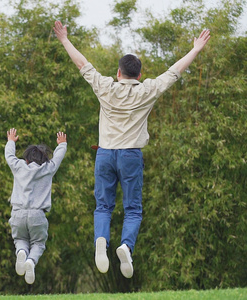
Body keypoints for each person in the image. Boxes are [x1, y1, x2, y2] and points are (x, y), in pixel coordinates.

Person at [53, 20, 211, 278]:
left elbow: (83, 64)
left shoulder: (105, 87)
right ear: (139, 75)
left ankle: (101, 240)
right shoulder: (147, 90)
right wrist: (195, 49)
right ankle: (126, 245)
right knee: (133, 209)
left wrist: (64, 40)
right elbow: (174, 72)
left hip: (105, 154)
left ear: (118, 73)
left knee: (103, 207)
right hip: (130, 156)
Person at [5, 128, 67, 284]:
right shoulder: (48, 168)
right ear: (44, 159)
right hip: (37, 214)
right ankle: (31, 261)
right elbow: (58, 158)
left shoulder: (19, 166)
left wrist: (11, 141)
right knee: (38, 243)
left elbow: (9, 156)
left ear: (26, 159)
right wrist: (62, 145)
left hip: (18, 212)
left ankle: (21, 252)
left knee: (19, 238)